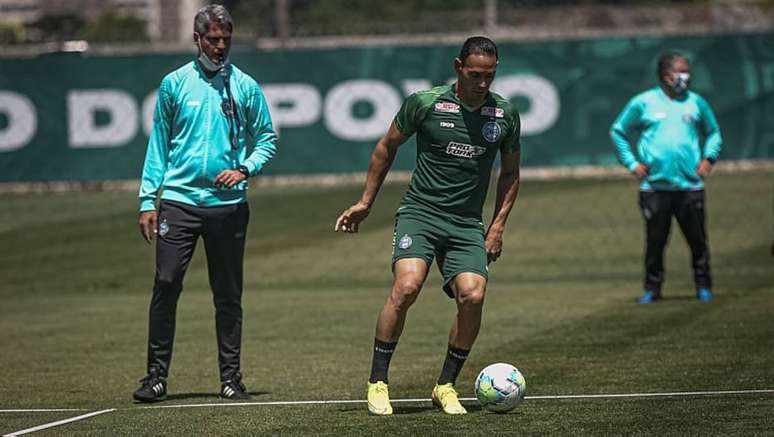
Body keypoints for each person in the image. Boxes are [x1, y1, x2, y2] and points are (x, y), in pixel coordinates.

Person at [334, 36, 522, 415]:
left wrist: (498, 226)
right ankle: (378, 383)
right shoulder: (425, 103)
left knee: (473, 295)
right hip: (420, 213)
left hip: (467, 222)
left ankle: (445, 386)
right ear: (457, 67)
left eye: (490, 76)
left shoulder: (504, 115)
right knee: (406, 287)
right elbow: (386, 147)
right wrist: (365, 202)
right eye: (474, 75)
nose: (482, 83)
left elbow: (511, 173)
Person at [133, 4, 277, 402]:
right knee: (166, 283)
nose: (220, 46)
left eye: (226, 39)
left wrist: (245, 168)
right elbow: (158, 145)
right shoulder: (174, 84)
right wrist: (149, 200)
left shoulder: (245, 86)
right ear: (197, 39)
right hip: (178, 202)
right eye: (213, 39)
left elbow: (266, 137)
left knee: (227, 293)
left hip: (228, 205)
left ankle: (231, 380)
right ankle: (156, 378)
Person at [611, 51, 721, 304]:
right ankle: (653, 289)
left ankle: (703, 287)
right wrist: (631, 163)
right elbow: (618, 131)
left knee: (698, 241)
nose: (687, 77)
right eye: (681, 71)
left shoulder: (696, 102)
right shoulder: (644, 102)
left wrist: (709, 158)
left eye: (687, 71)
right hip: (655, 187)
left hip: (690, 186)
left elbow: (713, 131)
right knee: (655, 242)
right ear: (665, 75)